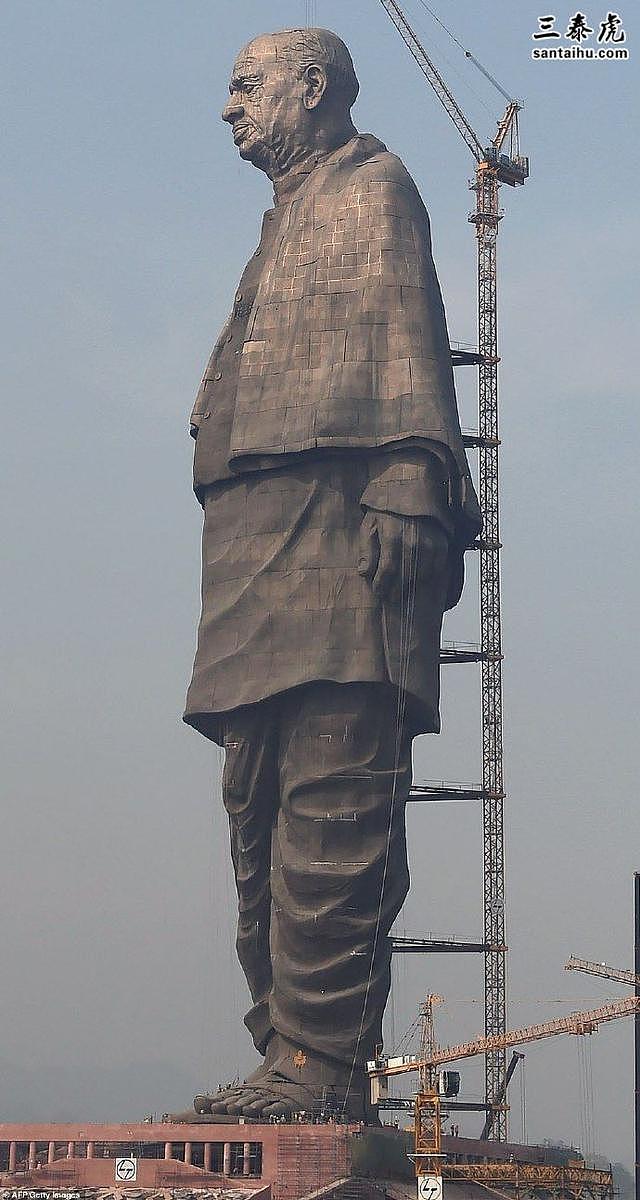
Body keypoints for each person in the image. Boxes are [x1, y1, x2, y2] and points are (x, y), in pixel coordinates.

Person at [184, 27, 480, 1121]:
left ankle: (319, 1063)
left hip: (342, 522)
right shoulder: (288, 215)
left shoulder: (373, 187)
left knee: (334, 791)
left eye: (244, 83)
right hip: (255, 535)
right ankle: (283, 1051)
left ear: (312, 90)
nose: (229, 107)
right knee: (254, 801)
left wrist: (410, 468)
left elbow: (409, 334)